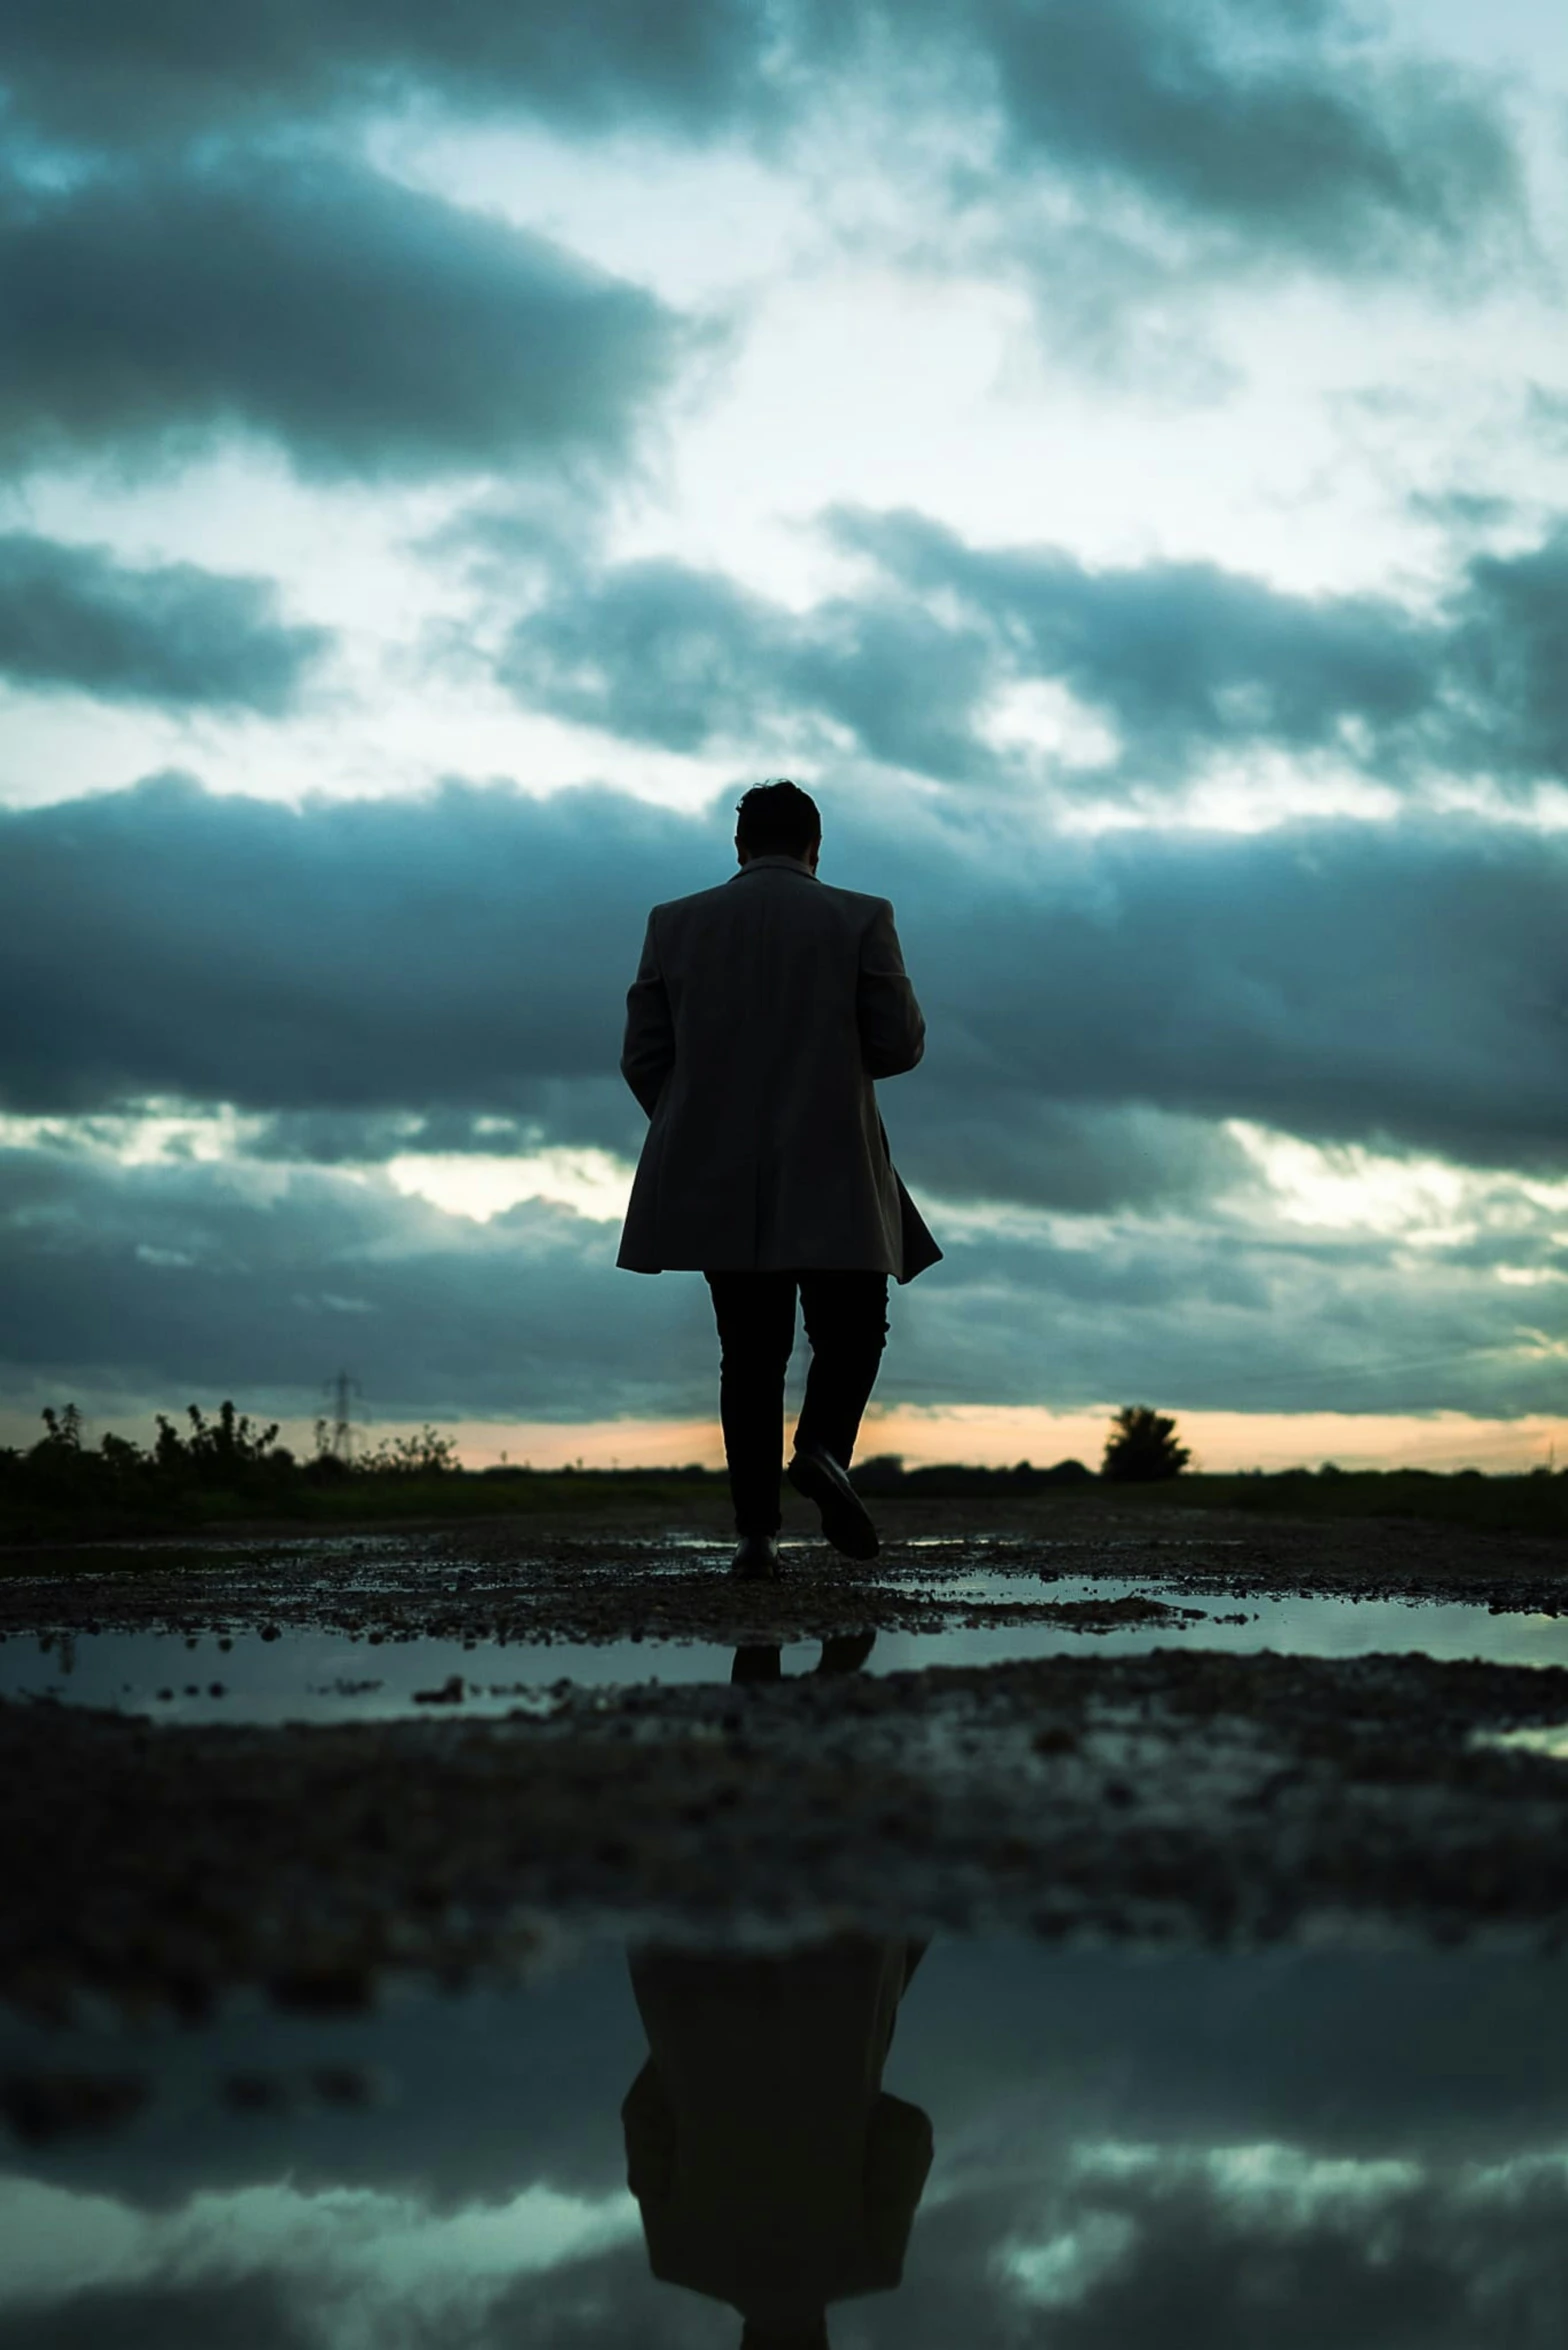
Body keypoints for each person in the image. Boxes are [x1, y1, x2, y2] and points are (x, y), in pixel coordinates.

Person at [617, 779, 939, 1578]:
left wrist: (699, 1122)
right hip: (833, 1161)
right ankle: (824, 1450)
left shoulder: (674, 923)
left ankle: (756, 1536)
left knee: (749, 1355)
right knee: (854, 1328)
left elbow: (644, 1057)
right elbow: (896, 1046)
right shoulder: (862, 916)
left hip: (719, 1171)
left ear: (738, 847)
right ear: (815, 846)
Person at [621, 1935, 933, 2347]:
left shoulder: (870, 2263)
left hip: (839, 1999)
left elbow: (905, 2134)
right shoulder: (675, 2257)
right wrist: (689, 2057)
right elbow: (643, 2117)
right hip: (692, 2000)